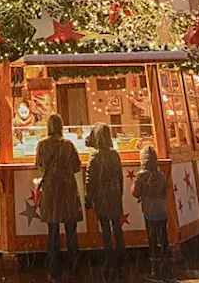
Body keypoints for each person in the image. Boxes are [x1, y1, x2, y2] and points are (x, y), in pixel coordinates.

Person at [36, 114, 82, 282]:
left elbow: (39, 166)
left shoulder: (42, 144)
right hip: (68, 189)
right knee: (71, 231)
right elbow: (77, 167)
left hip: (51, 190)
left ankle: (54, 269)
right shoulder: (69, 144)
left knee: (53, 232)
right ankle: (75, 267)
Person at [84, 123, 123, 278]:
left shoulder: (95, 156)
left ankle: (109, 260)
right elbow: (120, 177)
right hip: (114, 194)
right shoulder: (114, 154)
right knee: (117, 228)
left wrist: (89, 199)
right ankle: (121, 258)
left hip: (102, 196)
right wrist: (120, 193)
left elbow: (90, 180)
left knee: (106, 229)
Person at [131, 146, 171, 283]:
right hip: (162, 212)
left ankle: (155, 271)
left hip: (149, 212)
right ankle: (167, 271)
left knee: (152, 241)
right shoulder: (160, 175)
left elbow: (135, 192)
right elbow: (165, 192)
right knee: (164, 240)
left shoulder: (141, 175)